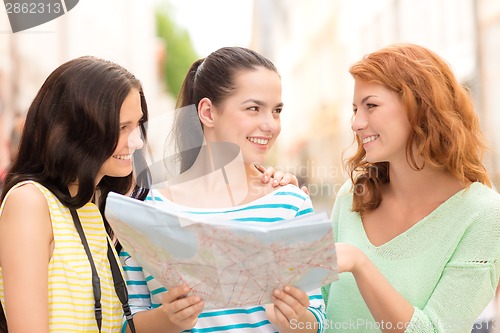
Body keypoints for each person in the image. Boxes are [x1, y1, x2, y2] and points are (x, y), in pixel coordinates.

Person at [120, 47, 326, 333]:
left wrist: (295, 320)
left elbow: (317, 317)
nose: (270, 125)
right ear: (207, 112)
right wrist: (169, 319)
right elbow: (127, 322)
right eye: (254, 108)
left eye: (276, 111)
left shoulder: (290, 203)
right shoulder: (145, 210)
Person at [321, 43, 500, 333]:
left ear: (419, 106)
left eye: (371, 106)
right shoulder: (352, 196)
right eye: (355, 109)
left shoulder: (484, 215)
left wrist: (360, 263)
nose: (356, 123)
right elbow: (319, 317)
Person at [0, 56, 149, 332]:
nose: (137, 141)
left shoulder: (91, 210)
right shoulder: (30, 203)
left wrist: (174, 316)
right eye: (121, 127)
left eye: (137, 125)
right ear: (77, 129)